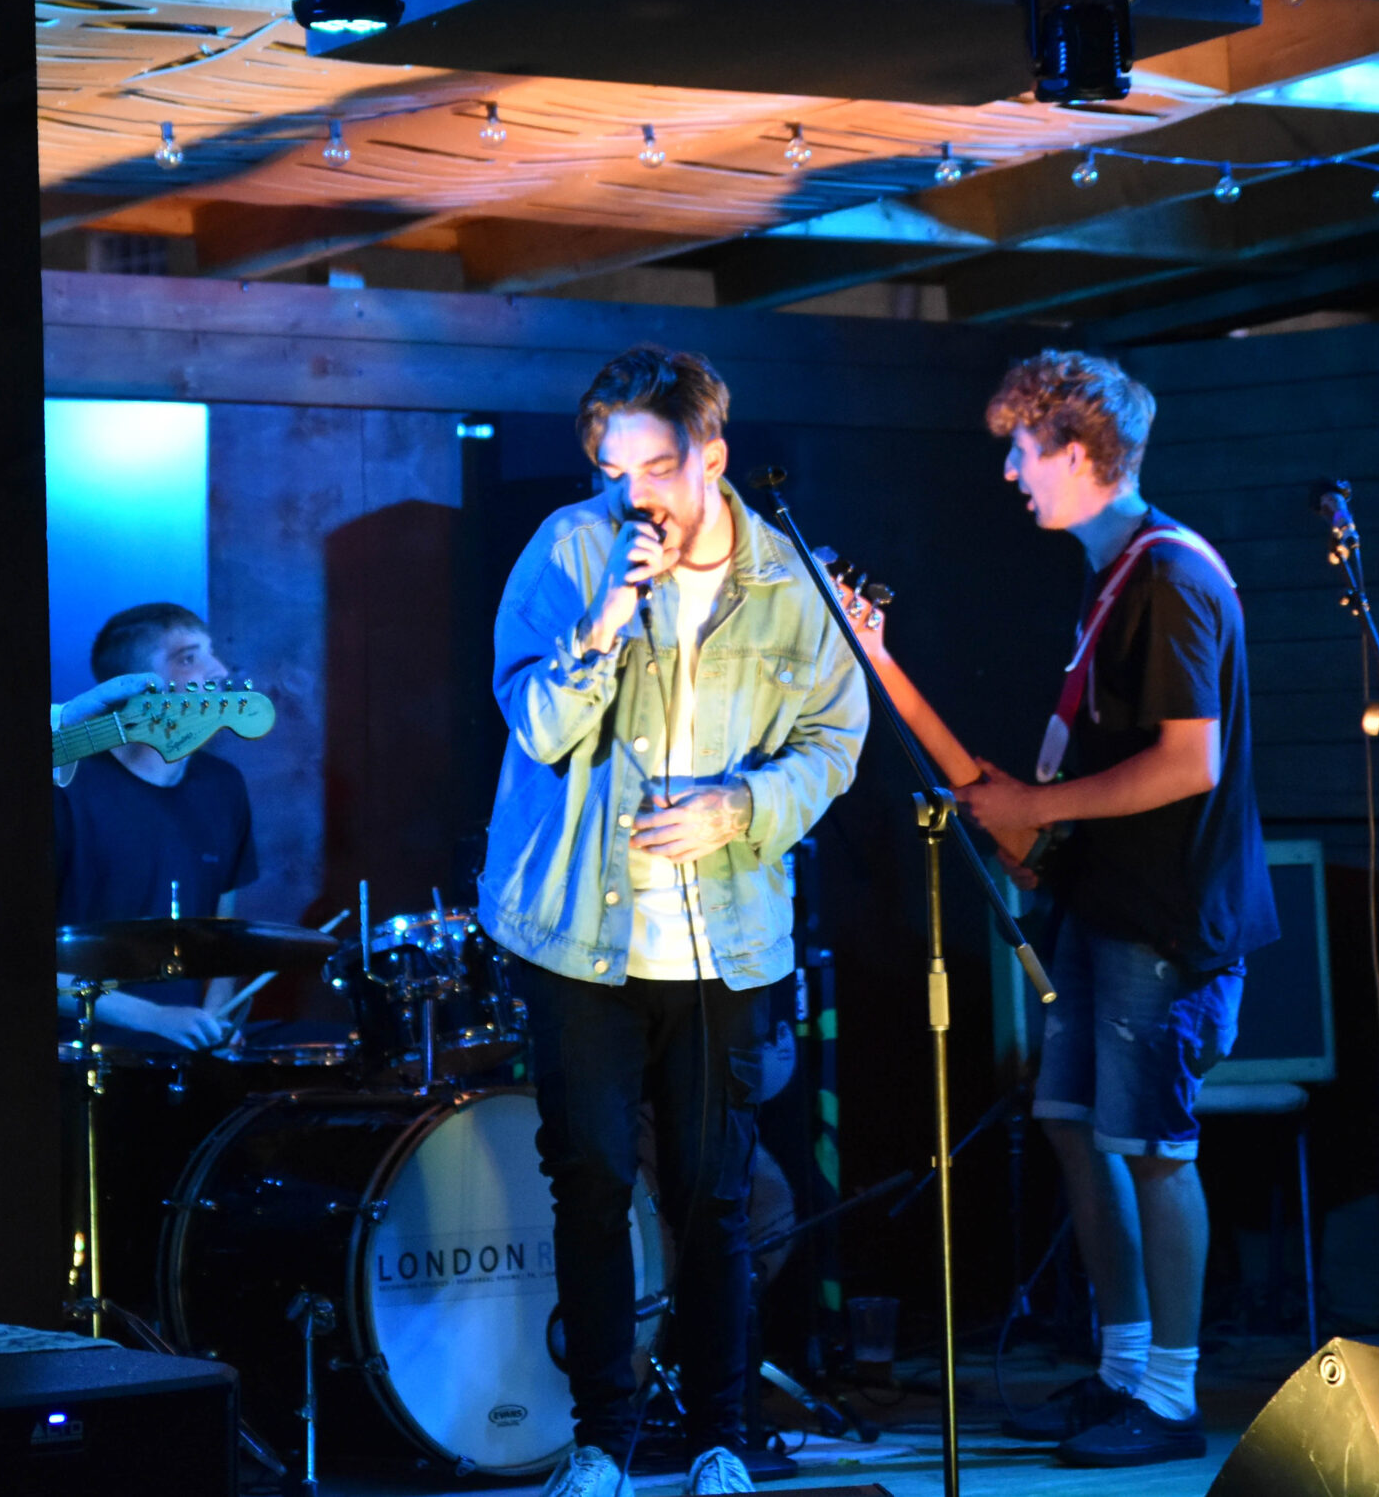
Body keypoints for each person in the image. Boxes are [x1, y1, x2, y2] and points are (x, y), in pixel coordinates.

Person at [864, 351, 1273, 1468]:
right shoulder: (1118, 573)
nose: (1009, 472)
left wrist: (1040, 807)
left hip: (1166, 915)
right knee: (1074, 1123)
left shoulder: (1170, 577)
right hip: (1108, 902)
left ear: (1082, 453)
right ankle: (1123, 1371)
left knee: (1153, 1145)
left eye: (1023, 449)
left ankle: (1171, 1395)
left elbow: (1190, 762)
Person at [480, 344, 866, 1497]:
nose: (633, 491)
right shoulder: (568, 549)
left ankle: (718, 1439)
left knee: (714, 1193)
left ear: (712, 455)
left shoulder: (789, 577)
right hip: (576, 932)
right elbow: (538, 726)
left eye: (655, 466)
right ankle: (600, 1441)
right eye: (615, 469)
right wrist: (607, 616)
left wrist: (741, 806)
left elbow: (835, 740)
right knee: (591, 1182)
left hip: (723, 933)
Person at [54, 602, 259, 1053]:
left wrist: (215, 1022)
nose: (218, 672)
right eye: (189, 658)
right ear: (135, 687)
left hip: (185, 1048)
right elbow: (10, 958)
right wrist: (154, 1019)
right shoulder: (65, 787)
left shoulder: (223, 785)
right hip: (84, 1049)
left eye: (212, 653)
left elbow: (223, 934)